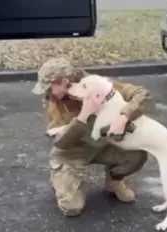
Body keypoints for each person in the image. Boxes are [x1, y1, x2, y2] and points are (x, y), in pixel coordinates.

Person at [32, 57, 154, 217]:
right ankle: (61, 177)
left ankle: (114, 180)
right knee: (71, 208)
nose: (48, 93)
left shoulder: (94, 84)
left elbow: (141, 94)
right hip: (72, 152)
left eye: (49, 88)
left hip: (100, 145)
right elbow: (61, 143)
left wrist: (124, 116)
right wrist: (84, 115)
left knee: (137, 153)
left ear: (63, 81)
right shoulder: (55, 101)